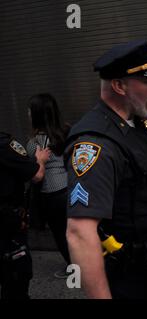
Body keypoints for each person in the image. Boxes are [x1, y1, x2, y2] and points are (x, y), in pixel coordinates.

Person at [65, 38, 147, 299]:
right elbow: (80, 234)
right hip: (129, 274)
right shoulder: (96, 145)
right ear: (119, 85)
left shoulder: (139, 122)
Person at [26, 93, 71, 278]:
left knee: (61, 234)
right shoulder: (68, 131)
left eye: (30, 110)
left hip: (52, 195)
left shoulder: (34, 143)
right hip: (71, 189)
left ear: (36, 114)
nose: (27, 112)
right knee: (77, 231)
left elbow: (35, 175)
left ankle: (74, 268)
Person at [0, 132, 50, 299]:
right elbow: (37, 175)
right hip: (7, 226)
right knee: (16, 278)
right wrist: (40, 160)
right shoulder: (4, 144)